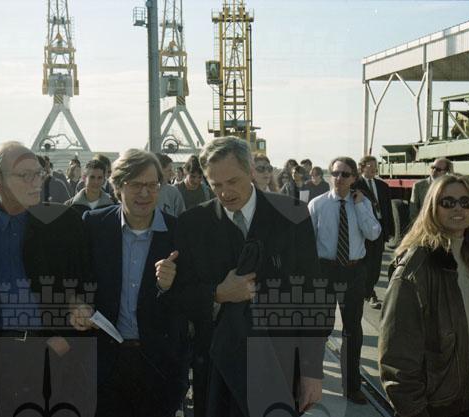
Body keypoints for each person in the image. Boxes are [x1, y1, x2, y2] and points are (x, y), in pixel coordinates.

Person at [176, 137, 329, 417]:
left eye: (232, 181)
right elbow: (180, 295)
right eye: (216, 185)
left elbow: (313, 294)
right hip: (217, 370)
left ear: (250, 171)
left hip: (280, 361)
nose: (225, 192)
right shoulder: (192, 224)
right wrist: (217, 294)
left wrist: (311, 371)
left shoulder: (293, 214)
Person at [0, 142, 94, 416]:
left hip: (50, 358)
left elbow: (85, 287)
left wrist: (67, 335)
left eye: (38, 173)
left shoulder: (65, 224)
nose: (36, 182)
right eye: (25, 175)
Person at [379, 174, 469, 417]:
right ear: (432, 208)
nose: (458, 208)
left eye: (466, 202)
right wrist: (415, 412)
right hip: (437, 405)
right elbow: (396, 360)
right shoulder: (415, 269)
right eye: (447, 202)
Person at [82, 149, 187, 417]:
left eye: (152, 185)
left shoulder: (179, 233)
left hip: (159, 367)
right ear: (118, 187)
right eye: (136, 185)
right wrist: (76, 305)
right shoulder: (95, 225)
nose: (145, 193)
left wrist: (167, 287)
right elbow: (79, 279)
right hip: (105, 365)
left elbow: (191, 299)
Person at [308, 156, 381, 404]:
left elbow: (373, 233)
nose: (339, 178)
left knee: (352, 330)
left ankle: (352, 386)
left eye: (345, 174)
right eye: (335, 173)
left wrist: (360, 206)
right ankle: (310, 381)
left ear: (354, 178)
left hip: (353, 272)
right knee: (320, 328)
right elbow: (308, 242)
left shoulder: (362, 203)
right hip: (325, 271)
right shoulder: (317, 204)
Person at [354, 155, 394, 309]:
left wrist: (389, 230)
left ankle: (368, 289)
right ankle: (369, 292)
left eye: (375, 165)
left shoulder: (383, 186)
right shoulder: (355, 185)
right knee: (364, 262)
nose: (373, 168)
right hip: (363, 229)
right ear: (362, 167)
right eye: (370, 166)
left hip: (379, 228)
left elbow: (387, 209)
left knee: (376, 263)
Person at [409, 158, 453, 222]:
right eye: (433, 167)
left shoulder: (451, 187)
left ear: (446, 172)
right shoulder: (419, 186)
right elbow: (413, 212)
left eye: (438, 169)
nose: (434, 171)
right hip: (425, 224)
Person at [155, 153, 186, 217]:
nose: (172, 174)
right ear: (159, 171)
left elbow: (182, 217)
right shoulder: (144, 192)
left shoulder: (173, 192)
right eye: (169, 170)